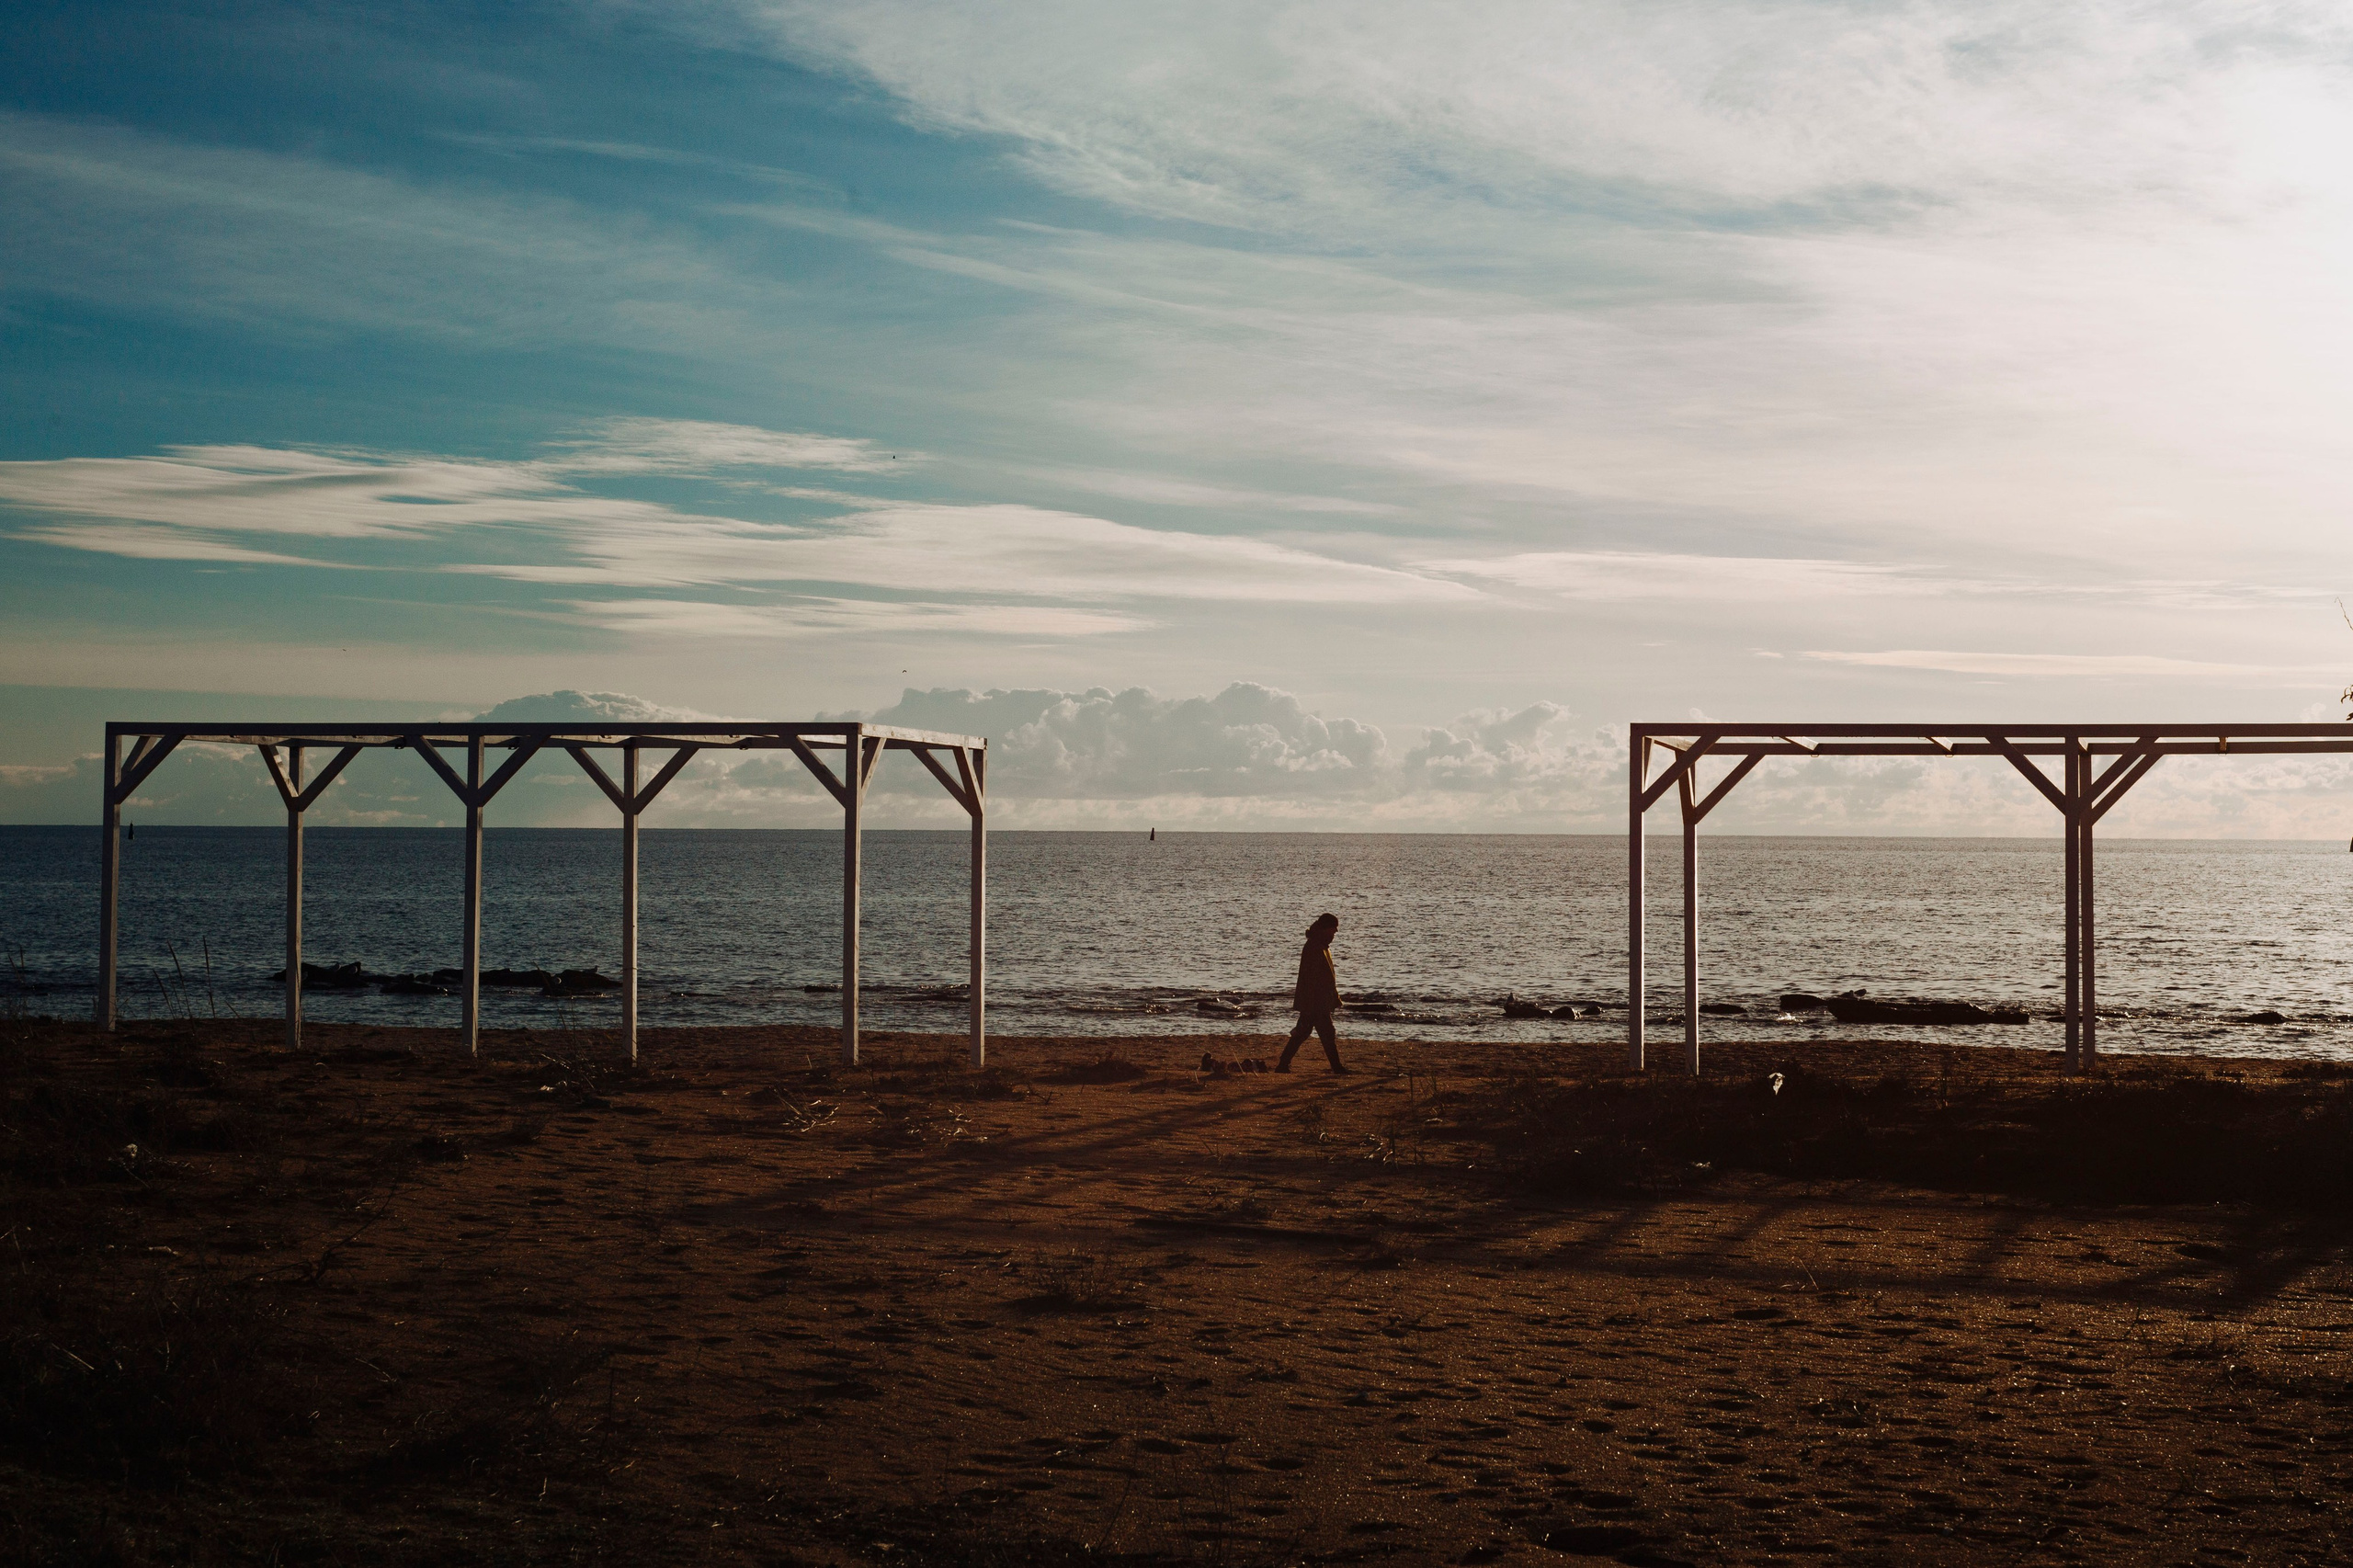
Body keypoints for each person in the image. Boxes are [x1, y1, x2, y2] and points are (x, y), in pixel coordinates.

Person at [1277, 912, 1348, 1074]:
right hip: (1315, 1003)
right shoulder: (1314, 947)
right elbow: (1309, 980)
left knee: (1308, 1033)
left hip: (1318, 1002)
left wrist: (1333, 998)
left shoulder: (1320, 946)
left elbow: (1328, 978)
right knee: (1320, 1034)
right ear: (1325, 929)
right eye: (1332, 930)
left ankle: (1283, 1065)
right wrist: (1309, 1006)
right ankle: (1336, 1067)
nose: (1334, 934)